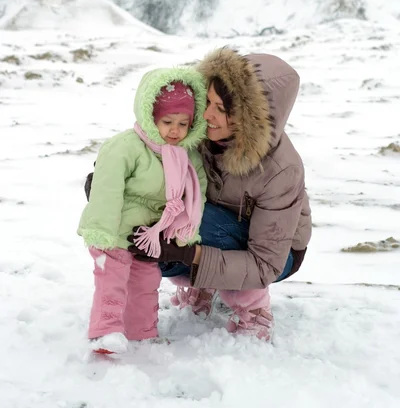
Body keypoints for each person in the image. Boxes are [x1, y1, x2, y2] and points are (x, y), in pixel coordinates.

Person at [128, 48, 312, 342]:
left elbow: (266, 263)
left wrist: (188, 254)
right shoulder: (199, 132)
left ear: (248, 119)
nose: (207, 114)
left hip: (277, 255)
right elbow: (151, 155)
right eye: (208, 101)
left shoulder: (281, 170)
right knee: (144, 227)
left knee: (191, 222)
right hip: (218, 228)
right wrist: (114, 182)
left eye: (221, 109)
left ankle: (254, 311)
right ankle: (204, 280)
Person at [78, 67, 207, 354]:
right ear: (151, 117)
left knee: (146, 282)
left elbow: (196, 194)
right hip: (115, 229)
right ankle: (105, 331)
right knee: (112, 281)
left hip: (148, 236)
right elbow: (107, 188)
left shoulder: (186, 157)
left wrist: (184, 235)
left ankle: (141, 331)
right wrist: (103, 231)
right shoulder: (126, 147)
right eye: (167, 121)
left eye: (183, 124)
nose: (175, 130)